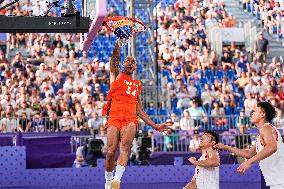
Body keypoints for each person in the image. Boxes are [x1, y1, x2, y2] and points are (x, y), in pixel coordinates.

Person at [102, 42, 171, 189]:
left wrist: (155, 125)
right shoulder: (115, 75)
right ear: (123, 64)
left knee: (125, 147)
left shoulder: (136, 85)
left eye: (133, 62)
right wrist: (118, 44)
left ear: (135, 67)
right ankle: (108, 180)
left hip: (130, 117)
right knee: (110, 151)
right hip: (114, 116)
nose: (130, 62)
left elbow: (140, 111)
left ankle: (116, 180)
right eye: (127, 60)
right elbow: (114, 58)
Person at [215, 102, 284, 189]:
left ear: (262, 114)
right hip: (275, 179)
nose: (252, 113)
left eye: (255, 111)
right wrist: (226, 147)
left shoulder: (266, 128)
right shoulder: (263, 132)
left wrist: (248, 162)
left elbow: (272, 147)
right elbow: (248, 154)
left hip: (279, 180)